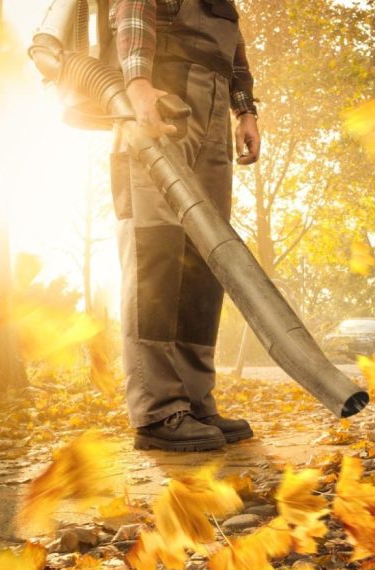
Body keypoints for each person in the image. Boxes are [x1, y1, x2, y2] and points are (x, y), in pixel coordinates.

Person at [109, 0, 260, 451]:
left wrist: (245, 110)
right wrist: (137, 85)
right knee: (156, 251)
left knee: (204, 260)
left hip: (213, 104)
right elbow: (133, 9)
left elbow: (235, 51)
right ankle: (157, 410)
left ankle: (194, 400)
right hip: (162, 98)